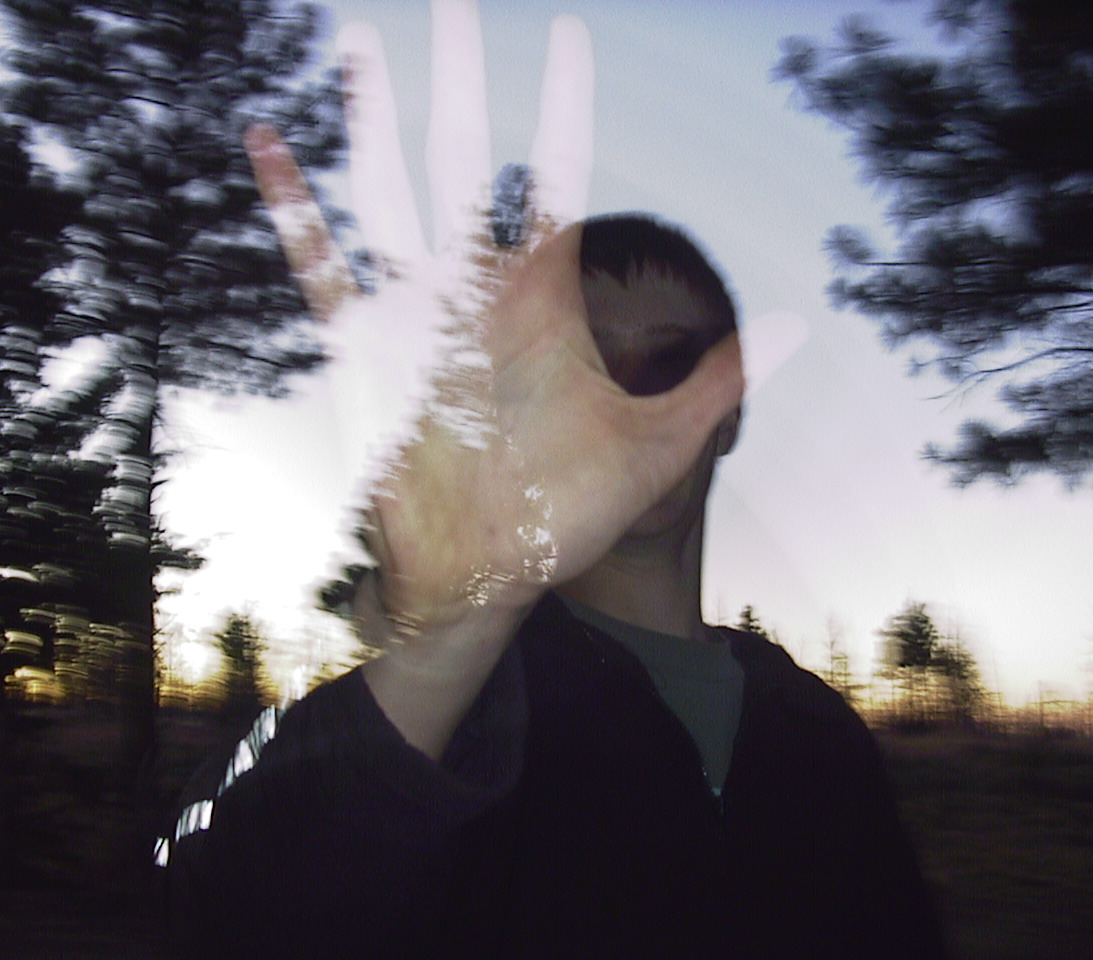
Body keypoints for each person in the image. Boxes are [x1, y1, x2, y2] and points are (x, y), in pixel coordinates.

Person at [156, 3, 947, 957]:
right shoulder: (462, 705)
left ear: (730, 407)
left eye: (670, 361)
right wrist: (448, 640)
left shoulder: (819, 732)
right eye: (584, 369)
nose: (623, 404)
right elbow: (200, 896)